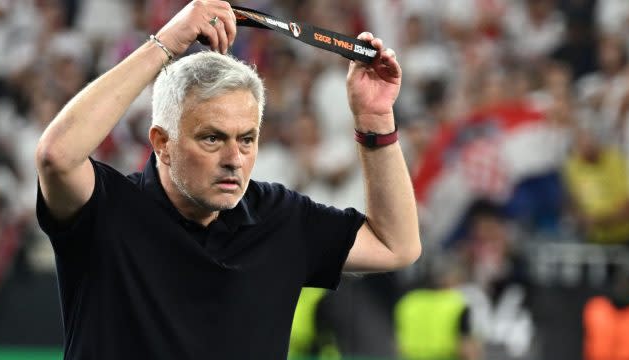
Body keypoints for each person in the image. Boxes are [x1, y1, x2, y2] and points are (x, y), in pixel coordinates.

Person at [34, 1, 420, 359]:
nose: (234, 160)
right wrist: (166, 42)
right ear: (162, 144)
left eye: (247, 139)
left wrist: (376, 123)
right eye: (212, 138)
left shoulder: (279, 217)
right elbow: (57, 156)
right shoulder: (107, 209)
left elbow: (395, 246)